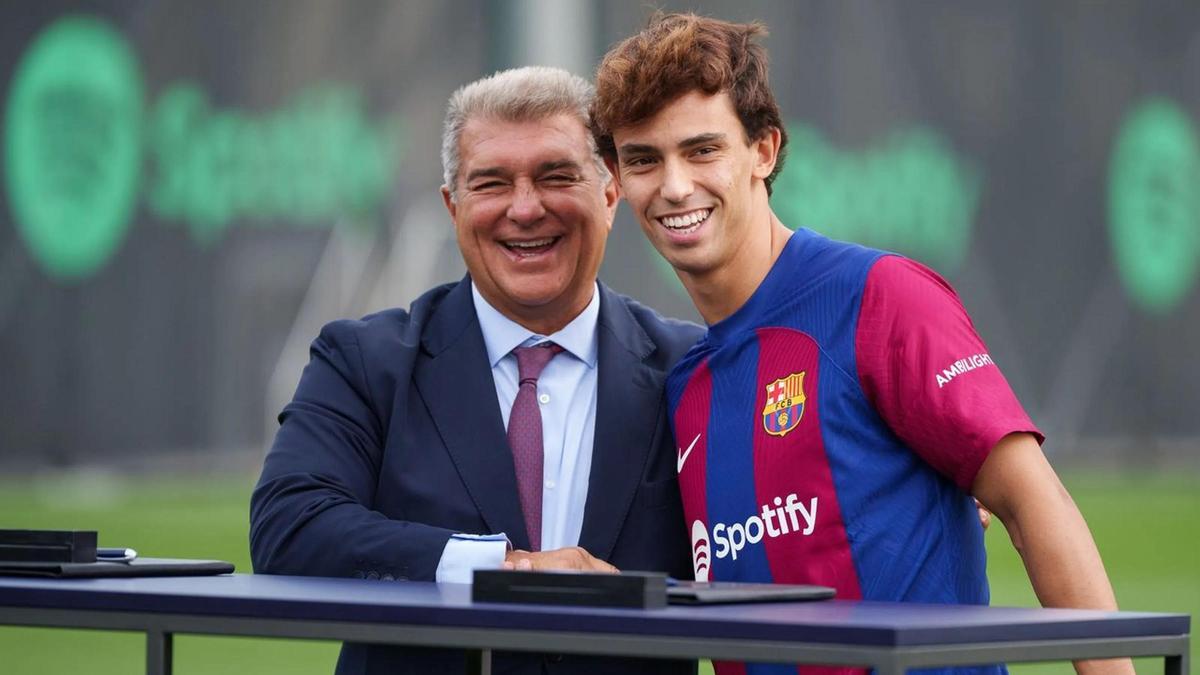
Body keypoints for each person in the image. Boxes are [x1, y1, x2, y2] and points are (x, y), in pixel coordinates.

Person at [590, 13, 1132, 675]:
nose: (674, 185)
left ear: (763, 151)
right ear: (617, 177)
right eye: (644, 158)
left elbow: (1031, 498)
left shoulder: (879, 297)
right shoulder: (687, 384)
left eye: (702, 150)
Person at [250, 66, 700, 675]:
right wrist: (505, 569)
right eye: (490, 183)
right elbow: (289, 527)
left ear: (611, 193)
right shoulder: (362, 361)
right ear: (451, 206)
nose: (524, 208)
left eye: (556, 176)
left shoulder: (693, 368)